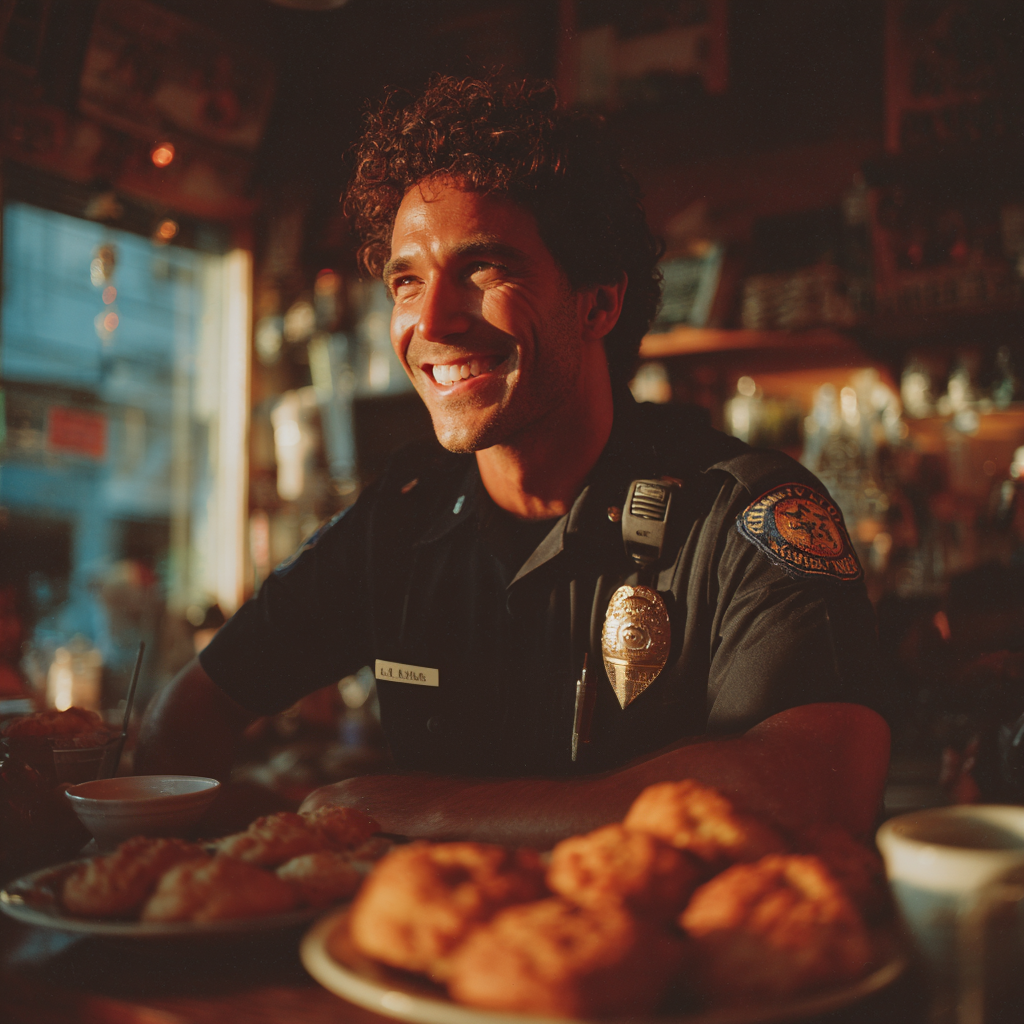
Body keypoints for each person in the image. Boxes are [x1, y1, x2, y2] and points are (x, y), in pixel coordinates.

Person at [137, 77, 887, 845]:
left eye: (484, 270)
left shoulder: (745, 516)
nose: (430, 321)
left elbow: (817, 790)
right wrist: (245, 870)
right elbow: (186, 718)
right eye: (407, 281)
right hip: (418, 963)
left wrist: (421, 815)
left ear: (597, 303)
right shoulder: (398, 522)